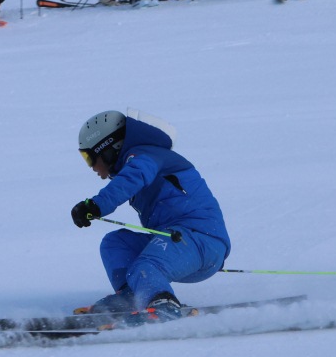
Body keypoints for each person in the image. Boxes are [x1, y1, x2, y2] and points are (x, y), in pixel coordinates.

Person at [71, 110, 231, 324]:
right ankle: (131, 297)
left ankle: (163, 307)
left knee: (146, 266)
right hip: (178, 242)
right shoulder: (142, 158)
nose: (91, 167)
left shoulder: (145, 156)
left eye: (89, 157)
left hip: (200, 241)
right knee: (115, 243)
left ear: (108, 148)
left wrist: (96, 205)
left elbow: (132, 178)